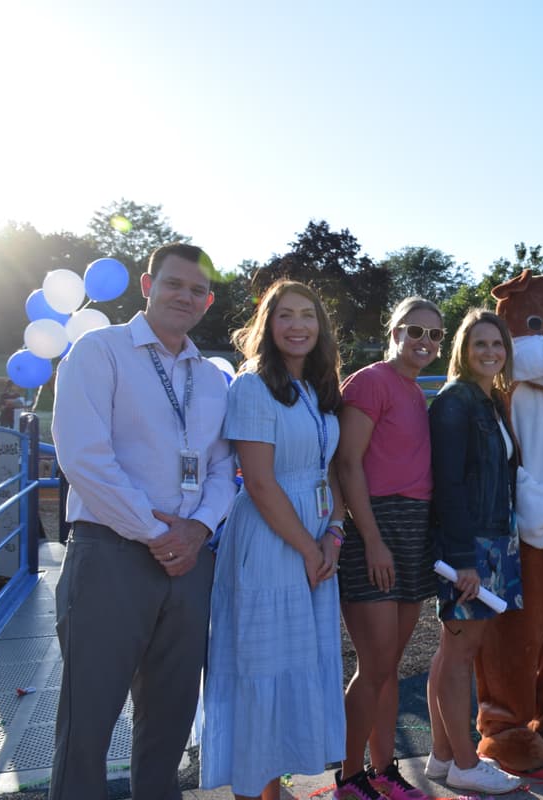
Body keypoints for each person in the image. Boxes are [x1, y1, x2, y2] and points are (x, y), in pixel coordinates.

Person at [49, 243, 236, 799]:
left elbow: (224, 467)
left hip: (189, 563)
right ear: (148, 284)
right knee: (88, 725)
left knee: (170, 722)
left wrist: (198, 529)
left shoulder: (209, 378)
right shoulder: (99, 351)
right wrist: (158, 534)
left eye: (197, 290)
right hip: (111, 555)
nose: (186, 296)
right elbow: (84, 456)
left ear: (207, 301)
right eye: (175, 284)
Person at [199, 280, 345, 799]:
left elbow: (329, 472)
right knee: (262, 666)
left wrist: (332, 534)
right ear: (268, 323)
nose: (299, 325)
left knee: (297, 665)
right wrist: (307, 548)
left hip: (315, 539)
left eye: (308, 315)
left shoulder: (319, 388)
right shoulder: (253, 386)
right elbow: (258, 481)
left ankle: (274, 791)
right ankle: (254, 793)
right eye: (286, 315)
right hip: (270, 540)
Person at [334, 296, 442, 800]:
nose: (424, 341)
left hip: (413, 528)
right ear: (393, 331)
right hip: (373, 528)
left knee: (388, 666)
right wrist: (372, 538)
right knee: (373, 664)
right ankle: (349, 776)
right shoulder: (370, 381)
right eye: (414, 330)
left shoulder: (415, 392)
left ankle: (382, 770)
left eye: (434, 335)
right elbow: (348, 463)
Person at [424, 310, 523, 795]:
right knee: (461, 651)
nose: (490, 352)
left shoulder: (490, 401)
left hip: (493, 538)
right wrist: (462, 557)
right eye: (480, 343)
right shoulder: (454, 402)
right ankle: (466, 761)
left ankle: (443, 758)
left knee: (454, 650)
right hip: (470, 545)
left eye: (497, 344)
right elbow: (449, 485)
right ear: (463, 349)